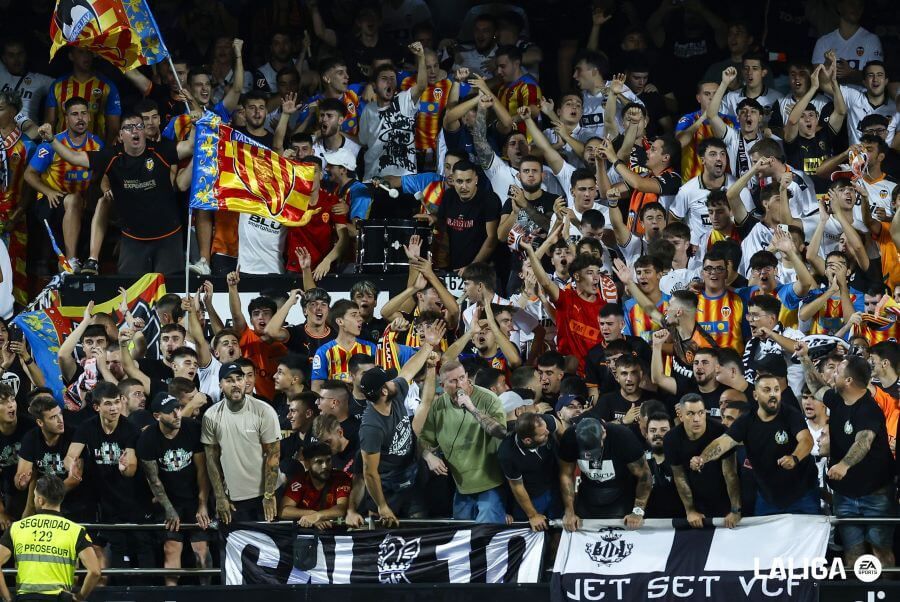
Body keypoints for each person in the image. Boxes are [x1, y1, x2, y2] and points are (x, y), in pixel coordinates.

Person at [37, 109, 196, 275]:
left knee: (169, 288)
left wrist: (195, 125)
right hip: (133, 239)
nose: (135, 131)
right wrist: (51, 139)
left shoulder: (161, 150)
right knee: (131, 288)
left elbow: (191, 146)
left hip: (168, 236)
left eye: (139, 126)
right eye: (129, 127)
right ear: (120, 135)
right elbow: (73, 157)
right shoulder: (111, 156)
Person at [798, 344, 895, 568]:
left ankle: (885, 587)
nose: (833, 374)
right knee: (853, 551)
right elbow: (816, 387)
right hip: (845, 494)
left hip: (876, 493)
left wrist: (844, 464)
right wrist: (804, 358)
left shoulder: (869, 409)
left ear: (849, 380)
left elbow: (864, 441)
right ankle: (857, 588)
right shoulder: (837, 398)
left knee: (880, 549)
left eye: (838, 371)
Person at [691, 374, 819, 515]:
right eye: (767, 390)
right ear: (755, 395)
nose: (773, 394)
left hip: (803, 495)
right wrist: (702, 458)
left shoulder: (791, 414)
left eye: (776, 390)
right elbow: (723, 442)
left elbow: (807, 440)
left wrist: (795, 457)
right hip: (768, 498)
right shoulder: (746, 420)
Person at [356, 339, 439, 526]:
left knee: (418, 527)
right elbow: (370, 473)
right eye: (389, 380)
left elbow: (408, 371)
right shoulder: (372, 427)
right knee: (382, 532)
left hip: (410, 474)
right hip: (387, 486)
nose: (395, 380)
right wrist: (382, 506)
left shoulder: (394, 394)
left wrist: (428, 347)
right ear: (384, 392)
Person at [419, 358, 507, 523]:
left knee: (487, 534)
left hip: (491, 486)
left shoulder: (488, 398)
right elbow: (423, 440)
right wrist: (428, 455)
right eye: (453, 381)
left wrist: (472, 409)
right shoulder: (438, 406)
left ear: (467, 377)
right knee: (462, 534)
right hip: (461, 488)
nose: (459, 384)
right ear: (442, 385)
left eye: (462, 378)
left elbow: (501, 432)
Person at [64, 381, 140, 568]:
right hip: (94, 499)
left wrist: (125, 468)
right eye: (108, 403)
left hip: (122, 500)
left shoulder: (131, 429)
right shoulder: (86, 427)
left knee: (120, 558)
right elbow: (70, 455)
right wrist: (72, 467)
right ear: (97, 407)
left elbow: (131, 468)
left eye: (117, 402)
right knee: (94, 554)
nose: (114, 408)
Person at [137, 393, 210, 586]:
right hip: (168, 499)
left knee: (202, 550)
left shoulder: (192, 428)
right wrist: (169, 509)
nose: (177, 414)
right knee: (171, 548)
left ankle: (207, 594)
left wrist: (203, 504)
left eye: (178, 408)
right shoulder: (148, 438)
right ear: (157, 416)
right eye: (170, 411)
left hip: (194, 497)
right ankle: (171, 595)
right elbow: (153, 480)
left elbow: (202, 470)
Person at [24, 96, 102, 271]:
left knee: (80, 201)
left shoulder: (97, 144)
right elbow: (29, 174)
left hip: (81, 202)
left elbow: (101, 173)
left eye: (84, 113)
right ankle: (70, 260)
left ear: (89, 116)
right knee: (74, 199)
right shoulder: (51, 143)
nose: (80, 118)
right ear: (66, 118)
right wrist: (48, 191)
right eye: (75, 114)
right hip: (50, 201)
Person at [201, 362, 281, 524]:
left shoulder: (264, 411)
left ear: (245, 382)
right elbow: (211, 459)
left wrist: (269, 495)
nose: (235, 384)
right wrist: (220, 496)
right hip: (234, 499)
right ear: (220, 385)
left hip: (265, 495)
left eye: (239, 379)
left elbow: (273, 455)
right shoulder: (210, 416)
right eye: (229, 380)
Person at [0, 475, 101, 602]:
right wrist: (80, 597)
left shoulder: (16, 528)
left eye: (34, 496)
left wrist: (8, 598)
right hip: (60, 599)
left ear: (40, 500)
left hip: (26, 598)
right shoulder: (76, 531)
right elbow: (95, 571)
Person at [558, 416, 652, 531]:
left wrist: (638, 511)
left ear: (604, 434)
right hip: (588, 494)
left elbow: (645, 476)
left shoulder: (623, 436)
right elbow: (566, 474)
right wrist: (569, 511)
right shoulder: (569, 437)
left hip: (621, 495)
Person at [665, 394, 742, 528]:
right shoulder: (671, 439)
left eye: (701, 413)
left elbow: (730, 474)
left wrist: (735, 510)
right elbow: (679, 477)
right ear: (681, 416)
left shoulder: (720, 431)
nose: (697, 419)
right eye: (690, 414)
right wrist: (690, 510)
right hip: (696, 501)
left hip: (724, 499)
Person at [359, 43, 427, 181]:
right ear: (374, 86)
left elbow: (421, 86)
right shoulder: (368, 110)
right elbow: (363, 141)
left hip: (405, 180)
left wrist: (421, 57)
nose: (389, 83)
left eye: (392, 79)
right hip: (374, 179)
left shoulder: (404, 99)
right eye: (384, 79)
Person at [432, 160, 500, 272]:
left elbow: (492, 238)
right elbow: (442, 229)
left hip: (480, 270)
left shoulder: (489, 199)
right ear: (453, 180)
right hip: (451, 269)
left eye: (468, 181)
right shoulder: (448, 196)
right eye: (459, 181)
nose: (464, 186)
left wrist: (472, 268)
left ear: (476, 180)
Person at [497, 411, 559, 530]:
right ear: (528, 440)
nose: (548, 432)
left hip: (554, 487)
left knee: (558, 529)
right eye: (543, 434)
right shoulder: (507, 454)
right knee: (534, 530)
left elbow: (559, 429)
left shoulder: (545, 422)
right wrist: (533, 515)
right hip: (531, 496)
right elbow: (517, 486)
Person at [45, 47, 121, 144]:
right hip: (62, 147)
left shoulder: (107, 86)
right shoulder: (58, 85)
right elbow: (50, 122)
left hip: (95, 149)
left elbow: (114, 128)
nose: (86, 56)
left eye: (89, 51)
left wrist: (106, 150)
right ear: (71, 56)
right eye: (81, 52)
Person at [279, 442, 351, 528]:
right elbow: (283, 511)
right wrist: (312, 514)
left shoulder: (341, 478)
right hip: (306, 532)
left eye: (328, 460)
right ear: (307, 464)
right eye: (319, 462)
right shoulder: (300, 482)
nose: (325, 466)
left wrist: (317, 516)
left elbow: (342, 508)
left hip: (336, 530)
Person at [311, 300, 377, 391]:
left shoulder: (371, 348)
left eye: (359, 315)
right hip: (334, 399)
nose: (360, 319)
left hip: (364, 399)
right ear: (340, 321)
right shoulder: (323, 351)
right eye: (354, 315)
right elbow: (316, 389)